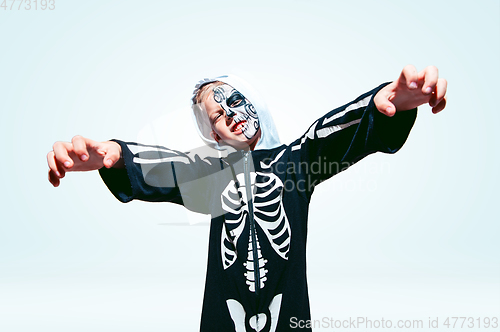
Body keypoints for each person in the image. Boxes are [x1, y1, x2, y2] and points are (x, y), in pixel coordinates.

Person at [47, 65, 447, 332]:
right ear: (215, 136)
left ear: (255, 102)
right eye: (218, 115)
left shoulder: (297, 162)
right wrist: (116, 156)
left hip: (288, 317)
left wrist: (383, 105)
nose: (232, 114)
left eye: (235, 100)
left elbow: (332, 133)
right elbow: (172, 167)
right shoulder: (211, 174)